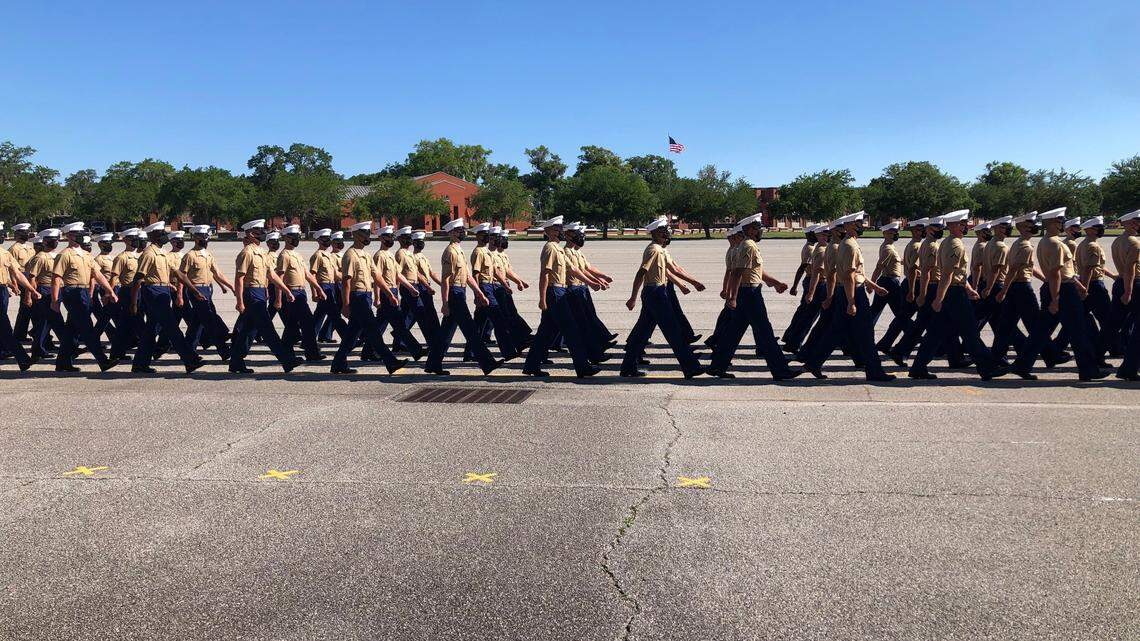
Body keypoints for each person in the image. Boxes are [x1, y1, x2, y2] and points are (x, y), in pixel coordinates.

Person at [1010, 207, 1108, 381]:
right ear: (1049, 223)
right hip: (1062, 291)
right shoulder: (1055, 244)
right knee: (1079, 331)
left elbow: (1063, 272)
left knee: (1040, 332)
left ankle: (1022, 364)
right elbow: (1056, 273)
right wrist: (1056, 299)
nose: (1061, 223)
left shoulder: (1046, 241)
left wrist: (1078, 285)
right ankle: (1088, 370)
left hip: (1057, 288)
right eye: (1058, 221)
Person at [907, 211, 1006, 380]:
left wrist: (967, 288)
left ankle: (918, 367)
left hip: (954, 290)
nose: (965, 226)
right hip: (953, 294)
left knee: (935, 333)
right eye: (961, 223)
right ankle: (987, 367)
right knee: (970, 332)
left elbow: (956, 271)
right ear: (952, 225)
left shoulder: (947, 242)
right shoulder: (955, 245)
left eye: (965, 223)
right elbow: (947, 274)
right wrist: (939, 298)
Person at [706, 213, 803, 379]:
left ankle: (717, 366)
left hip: (749, 292)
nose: (760, 231)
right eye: (758, 228)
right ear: (750, 230)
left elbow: (756, 271)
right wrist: (733, 297)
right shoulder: (748, 246)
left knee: (733, 333)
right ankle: (780, 371)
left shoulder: (746, 245)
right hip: (750, 294)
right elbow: (737, 273)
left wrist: (775, 283)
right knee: (765, 333)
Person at [620, 216, 705, 378]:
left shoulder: (660, 249)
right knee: (673, 331)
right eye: (662, 230)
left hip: (655, 293)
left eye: (665, 229)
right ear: (654, 233)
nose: (666, 232)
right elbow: (641, 272)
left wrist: (693, 282)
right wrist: (633, 297)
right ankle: (691, 367)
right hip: (655, 294)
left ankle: (627, 367)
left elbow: (674, 269)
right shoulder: (654, 250)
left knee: (641, 333)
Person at [423, 218, 503, 376]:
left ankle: (433, 363)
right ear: (452, 233)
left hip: (461, 292)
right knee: (471, 330)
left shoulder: (459, 250)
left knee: (445, 333)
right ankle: (487, 363)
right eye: (459, 230)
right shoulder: (450, 251)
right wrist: (445, 302)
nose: (463, 232)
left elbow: (467, 276)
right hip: (455, 295)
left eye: (462, 229)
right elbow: (446, 279)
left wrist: (479, 293)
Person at [522, 216, 599, 378]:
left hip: (560, 292)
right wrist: (542, 298)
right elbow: (545, 274)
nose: (559, 231)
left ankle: (531, 365)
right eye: (555, 229)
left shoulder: (558, 249)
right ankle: (582, 367)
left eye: (560, 228)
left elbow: (573, 270)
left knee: (545, 333)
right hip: (554, 293)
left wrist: (591, 282)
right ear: (547, 231)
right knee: (572, 330)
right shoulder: (550, 248)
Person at [228, 219, 303, 374]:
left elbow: (272, 275)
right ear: (250, 233)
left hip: (261, 293)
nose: (262, 233)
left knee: (249, 330)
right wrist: (239, 301)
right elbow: (239, 278)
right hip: (252, 293)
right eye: (258, 231)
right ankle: (287, 361)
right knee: (268, 330)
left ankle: (235, 362)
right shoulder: (246, 253)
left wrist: (286, 290)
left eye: (262, 230)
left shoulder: (262, 252)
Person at [129, 222, 205, 374]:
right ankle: (190, 360)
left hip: (163, 291)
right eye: (161, 233)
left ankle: (139, 364)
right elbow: (138, 279)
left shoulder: (162, 253)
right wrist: (134, 302)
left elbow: (179, 274)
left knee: (150, 331)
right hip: (154, 292)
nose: (164, 235)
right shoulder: (149, 254)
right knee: (171, 327)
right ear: (152, 235)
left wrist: (194, 290)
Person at [48, 222, 118, 372]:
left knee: (71, 330)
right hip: (72, 293)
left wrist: (109, 291)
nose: (80, 236)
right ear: (69, 236)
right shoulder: (64, 254)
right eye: (76, 233)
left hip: (84, 293)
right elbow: (56, 278)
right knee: (87, 329)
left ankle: (62, 363)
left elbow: (97, 274)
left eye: (81, 233)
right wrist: (55, 300)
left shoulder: (86, 255)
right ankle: (103, 361)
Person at [366, 225, 424, 361]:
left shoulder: (390, 255)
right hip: (386, 293)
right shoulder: (379, 255)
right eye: (387, 236)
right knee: (399, 324)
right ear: (380, 238)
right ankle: (416, 350)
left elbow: (398, 275)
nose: (390, 238)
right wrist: (377, 298)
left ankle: (368, 350)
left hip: (392, 291)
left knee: (380, 324)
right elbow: (377, 277)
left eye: (391, 236)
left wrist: (410, 288)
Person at [273, 225, 326, 362]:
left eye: (297, 236)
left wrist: (318, 288)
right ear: (286, 238)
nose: (297, 239)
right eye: (293, 236)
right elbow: (279, 278)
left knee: (293, 325)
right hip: (292, 293)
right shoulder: (284, 255)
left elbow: (307, 274)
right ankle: (311, 353)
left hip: (301, 293)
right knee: (306, 323)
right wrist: (278, 299)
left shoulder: (297, 255)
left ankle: (288, 352)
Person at [180, 225, 233, 359]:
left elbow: (217, 273)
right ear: (195, 237)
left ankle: (188, 352)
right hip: (196, 290)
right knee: (209, 320)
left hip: (208, 289)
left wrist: (230, 286)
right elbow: (182, 276)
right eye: (201, 236)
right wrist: (185, 293)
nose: (205, 238)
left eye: (206, 236)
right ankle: (224, 349)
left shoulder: (208, 254)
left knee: (197, 324)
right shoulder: (190, 256)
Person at [467, 222, 518, 359]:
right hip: (484, 287)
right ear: (478, 236)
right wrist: (478, 294)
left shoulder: (486, 251)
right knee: (498, 318)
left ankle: (470, 352)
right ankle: (508, 352)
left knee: (479, 322)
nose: (487, 237)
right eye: (484, 234)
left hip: (490, 286)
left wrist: (506, 285)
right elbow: (476, 274)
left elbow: (495, 271)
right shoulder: (478, 252)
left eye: (488, 234)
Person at [1075, 216, 1114, 363]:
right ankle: (1099, 353)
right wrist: (1084, 288)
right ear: (1089, 230)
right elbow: (1089, 269)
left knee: (1084, 318)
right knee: (1108, 321)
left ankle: (1101, 350)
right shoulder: (1093, 246)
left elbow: (1097, 267)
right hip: (1095, 285)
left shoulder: (1083, 244)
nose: (1101, 230)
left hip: (1089, 283)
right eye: (1097, 227)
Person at [868, 221, 911, 353]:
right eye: (892, 233)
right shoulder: (888, 248)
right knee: (901, 312)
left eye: (895, 232)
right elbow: (879, 267)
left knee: (875, 312)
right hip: (889, 282)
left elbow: (897, 262)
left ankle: (864, 337)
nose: (895, 234)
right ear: (885, 233)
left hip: (887, 281)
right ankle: (912, 334)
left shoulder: (889, 246)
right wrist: (872, 284)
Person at [0, 222, 37, 370]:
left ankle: (21, 358)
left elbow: (17, 273)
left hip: (2, 290)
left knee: (4, 326)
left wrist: (30, 289)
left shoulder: (4, 253)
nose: (3, 235)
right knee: (4, 326)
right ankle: (22, 358)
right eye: (1, 233)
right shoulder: (10, 250)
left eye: (3, 233)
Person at [779, 225, 820, 352]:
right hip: (811, 281)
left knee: (802, 312)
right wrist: (794, 286)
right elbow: (802, 267)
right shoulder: (810, 248)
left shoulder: (811, 247)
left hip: (810, 280)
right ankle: (794, 343)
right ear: (810, 234)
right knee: (807, 315)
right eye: (816, 232)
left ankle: (790, 337)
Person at [26, 229, 63, 361]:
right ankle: (38, 350)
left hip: (57, 289)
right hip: (45, 290)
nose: (56, 242)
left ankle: (66, 345)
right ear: (45, 241)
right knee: (46, 321)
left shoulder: (57, 255)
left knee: (53, 321)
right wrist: (30, 295)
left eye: (57, 239)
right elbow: (31, 278)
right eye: (53, 240)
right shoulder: (40, 257)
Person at [1112, 209, 1140, 381]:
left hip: (1122, 282)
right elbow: (1130, 269)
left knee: (1115, 324)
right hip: (1134, 284)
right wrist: (1128, 291)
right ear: (1127, 223)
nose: (1138, 224)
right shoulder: (1134, 243)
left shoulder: (1117, 241)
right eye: (1135, 222)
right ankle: (1128, 369)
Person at [708, 225, 746, 350]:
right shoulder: (734, 251)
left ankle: (715, 339)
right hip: (737, 288)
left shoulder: (735, 249)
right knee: (729, 318)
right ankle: (717, 341)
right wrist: (727, 290)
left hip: (736, 288)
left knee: (727, 316)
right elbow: (730, 273)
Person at [108, 229, 143, 360]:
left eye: (136, 237)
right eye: (132, 238)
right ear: (125, 240)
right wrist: (110, 293)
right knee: (126, 324)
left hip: (140, 291)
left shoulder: (140, 256)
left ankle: (119, 352)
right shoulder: (122, 257)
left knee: (129, 324)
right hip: (128, 292)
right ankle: (118, 353)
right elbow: (114, 277)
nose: (135, 240)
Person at [491, 229, 532, 342]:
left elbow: (508, 271)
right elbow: (496, 272)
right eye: (502, 239)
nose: (504, 241)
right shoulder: (492, 254)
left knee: (508, 313)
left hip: (503, 286)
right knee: (502, 315)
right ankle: (519, 338)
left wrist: (519, 281)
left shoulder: (503, 255)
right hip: (497, 286)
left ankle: (522, 336)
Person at [308, 228, 343, 343]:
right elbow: (312, 275)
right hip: (323, 287)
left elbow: (336, 274)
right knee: (335, 314)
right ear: (318, 240)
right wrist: (314, 293)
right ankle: (348, 336)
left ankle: (308, 340)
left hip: (331, 287)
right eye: (324, 239)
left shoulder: (328, 255)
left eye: (328, 238)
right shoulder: (317, 255)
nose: (327, 241)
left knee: (319, 315)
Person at [408, 230, 442, 347]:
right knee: (421, 313)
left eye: (422, 241)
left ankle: (437, 336)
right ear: (413, 243)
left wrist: (441, 283)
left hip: (426, 286)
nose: (421, 244)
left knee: (421, 313)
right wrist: (427, 287)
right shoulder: (413, 257)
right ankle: (401, 337)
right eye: (418, 242)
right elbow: (418, 274)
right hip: (421, 287)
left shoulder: (423, 257)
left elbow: (431, 273)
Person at [8, 222, 35, 341]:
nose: (26, 234)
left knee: (30, 308)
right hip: (22, 277)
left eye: (27, 232)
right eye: (23, 232)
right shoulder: (14, 249)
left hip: (32, 277)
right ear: (17, 234)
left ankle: (25, 333)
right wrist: (14, 284)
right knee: (26, 306)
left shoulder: (30, 247)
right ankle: (20, 334)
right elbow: (12, 269)